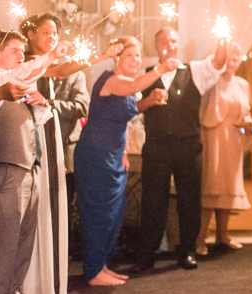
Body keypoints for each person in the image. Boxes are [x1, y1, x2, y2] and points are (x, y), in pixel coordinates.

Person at [20, 13, 122, 294]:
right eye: (45, 32)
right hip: (28, 147)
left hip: (58, 147)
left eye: (55, 32)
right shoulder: (25, 63)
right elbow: (59, 70)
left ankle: (50, 277)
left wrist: (102, 55)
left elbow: (65, 71)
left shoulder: (52, 65)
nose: (52, 37)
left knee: (56, 212)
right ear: (30, 35)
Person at [74, 36, 179, 286]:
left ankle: (102, 265)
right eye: (129, 55)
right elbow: (130, 89)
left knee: (114, 212)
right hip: (96, 154)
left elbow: (125, 112)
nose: (135, 60)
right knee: (99, 212)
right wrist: (161, 68)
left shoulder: (127, 83)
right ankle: (92, 271)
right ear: (117, 57)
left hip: (113, 153)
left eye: (138, 56)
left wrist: (149, 101)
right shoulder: (111, 79)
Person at [135, 27, 228, 272]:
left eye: (174, 41)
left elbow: (218, 62)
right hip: (156, 147)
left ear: (179, 45)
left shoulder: (194, 71)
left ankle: (186, 250)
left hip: (188, 147)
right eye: (164, 41)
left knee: (190, 201)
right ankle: (147, 254)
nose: (169, 44)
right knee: (152, 202)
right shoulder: (145, 75)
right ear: (156, 46)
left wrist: (223, 37)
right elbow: (132, 106)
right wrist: (148, 101)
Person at [0, 30, 68, 294]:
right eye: (14, 50)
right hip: (8, 169)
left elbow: (37, 121)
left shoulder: (18, 82)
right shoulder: (3, 79)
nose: (21, 56)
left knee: (23, 244)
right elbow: (19, 75)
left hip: (31, 167)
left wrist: (42, 103)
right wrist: (49, 57)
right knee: (5, 246)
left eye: (22, 50)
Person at [196, 42, 252, 256]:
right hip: (213, 139)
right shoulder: (211, 82)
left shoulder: (242, 84)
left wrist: (249, 124)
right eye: (229, 58)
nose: (232, 62)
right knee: (211, 188)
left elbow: (245, 112)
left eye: (236, 58)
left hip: (233, 140)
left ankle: (223, 235)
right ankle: (200, 238)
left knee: (228, 189)